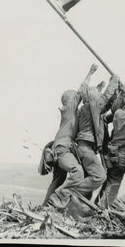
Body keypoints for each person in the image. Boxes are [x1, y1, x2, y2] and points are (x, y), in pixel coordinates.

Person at [44, 64, 98, 208]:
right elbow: (81, 92)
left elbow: (85, 96)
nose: (78, 100)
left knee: (58, 180)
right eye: (75, 98)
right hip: (63, 148)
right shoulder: (69, 109)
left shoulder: (70, 113)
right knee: (77, 172)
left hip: (59, 148)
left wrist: (97, 88)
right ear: (70, 100)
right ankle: (58, 198)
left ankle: (45, 207)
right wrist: (90, 72)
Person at [70, 72, 121, 199]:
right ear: (93, 98)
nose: (100, 98)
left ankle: (77, 200)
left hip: (84, 148)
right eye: (98, 96)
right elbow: (106, 97)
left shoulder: (87, 109)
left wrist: (117, 94)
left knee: (91, 176)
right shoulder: (91, 107)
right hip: (86, 148)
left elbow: (107, 104)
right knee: (100, 176)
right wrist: (114, 80)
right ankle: (69, 191)